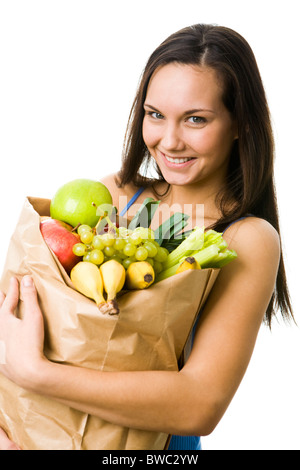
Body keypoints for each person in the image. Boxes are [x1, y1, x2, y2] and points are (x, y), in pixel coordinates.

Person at [0, 23, 294, 450]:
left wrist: (35, 374)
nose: (169, 141)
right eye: (155, 115)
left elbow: (199, 405)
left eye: (196, 119)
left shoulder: (245, 239)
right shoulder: (115, 194)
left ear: (240, 125)